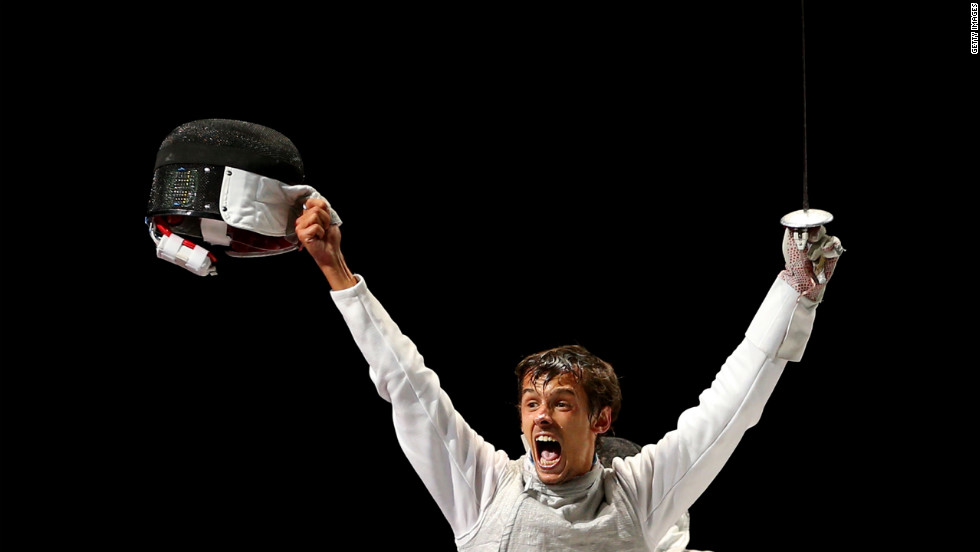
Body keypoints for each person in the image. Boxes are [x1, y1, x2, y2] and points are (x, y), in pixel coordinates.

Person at [293, 197, 842, 551]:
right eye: (531, 404)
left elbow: (731, 407)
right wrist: (337, 272)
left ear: (600, 418)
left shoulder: (639, 493)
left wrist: (796, 291)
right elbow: (409, 387)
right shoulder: (485, 489)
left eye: (560, 402)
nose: (540, 417)